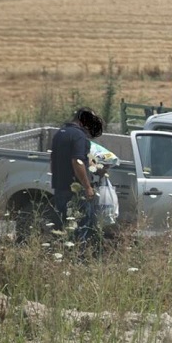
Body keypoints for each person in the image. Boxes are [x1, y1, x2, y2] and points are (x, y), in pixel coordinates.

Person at [50, 107, 105, 253]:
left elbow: (57, 160)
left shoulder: (60, 133)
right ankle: (77, 257)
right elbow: (77, 161)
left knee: (64, 225)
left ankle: (63, 254)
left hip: (60, 187)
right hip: (75, 191)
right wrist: (87, 187)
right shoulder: (79, 136)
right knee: (81, 226)